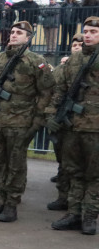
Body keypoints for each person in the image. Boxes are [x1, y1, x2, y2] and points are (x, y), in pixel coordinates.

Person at [0, 20, 54, 222]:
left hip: (21, 122)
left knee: (16, 164)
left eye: (19, 32)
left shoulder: (36, 62)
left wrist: (37, 121)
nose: (14, 35)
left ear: (28, 37)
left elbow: (47, 93)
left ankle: (11, 204)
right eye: (12, 32)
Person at [48, 17, 99, 235]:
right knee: (74, 172)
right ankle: (73, 213)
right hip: (72, 126)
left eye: (94, 32)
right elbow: (60, 90)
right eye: (86, 31)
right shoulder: (74, 61)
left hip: (95, 128)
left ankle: (89, 217)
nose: (88, 35)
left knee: (94, 175)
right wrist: (52, 113)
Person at [46, 34, 83, 213]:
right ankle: (63, 197)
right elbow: (54, 88)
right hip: (63, 118)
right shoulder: (64, 67)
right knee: (64, 161)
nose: (77, 47)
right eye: (74, 44)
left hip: (83, 122)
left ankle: (79, 202)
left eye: (80, 44)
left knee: (82, 166)